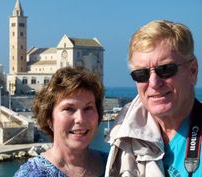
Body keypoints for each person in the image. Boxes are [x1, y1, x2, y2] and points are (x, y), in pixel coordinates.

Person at [105, 20, 201, 177]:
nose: (154, 83)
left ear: (192, 71)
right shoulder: (124, 137)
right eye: (141, 74)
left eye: (165, 69)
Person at [14, 66, 107, 177]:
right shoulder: (31, 174)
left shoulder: (115, 165)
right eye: (69, 109)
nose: (80, 119)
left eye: (88, 108)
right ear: (49, 119)